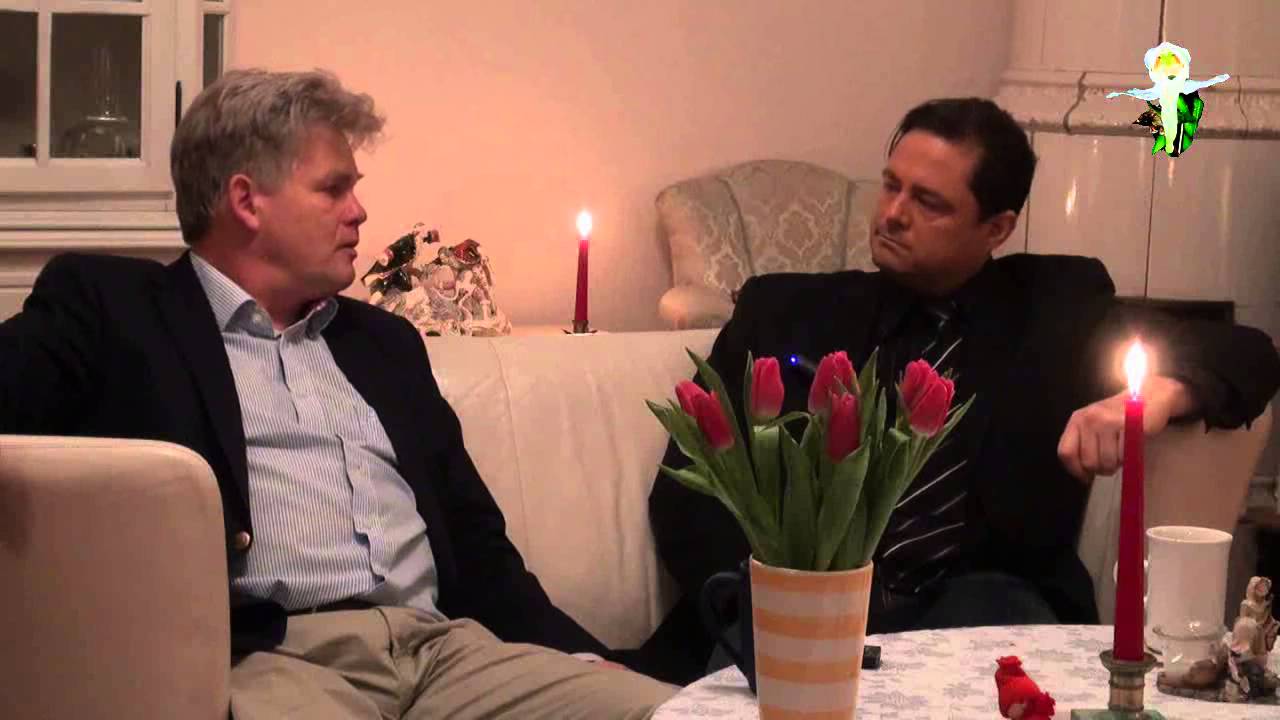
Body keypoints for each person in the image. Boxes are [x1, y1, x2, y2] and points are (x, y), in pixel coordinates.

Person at [0, 69, 674, 719]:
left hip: (444, 652)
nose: (359, 212)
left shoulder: (384, 343)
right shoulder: (113, 312)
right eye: (333, 189)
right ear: (247, 202)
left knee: (683, 713)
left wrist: (581, 658)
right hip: (275, 659)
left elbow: (476, 544)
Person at [642, 97, 1280, 684]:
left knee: (999, 625)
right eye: (891, 185)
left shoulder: (1056, 310)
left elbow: (1247, 352)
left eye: (929, 202)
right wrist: (774, 595)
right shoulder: (785, 313)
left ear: (996, 228)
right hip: (801, 606)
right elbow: (686, 493)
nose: (893, 214)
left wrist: (1154, 395)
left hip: (983, 607)